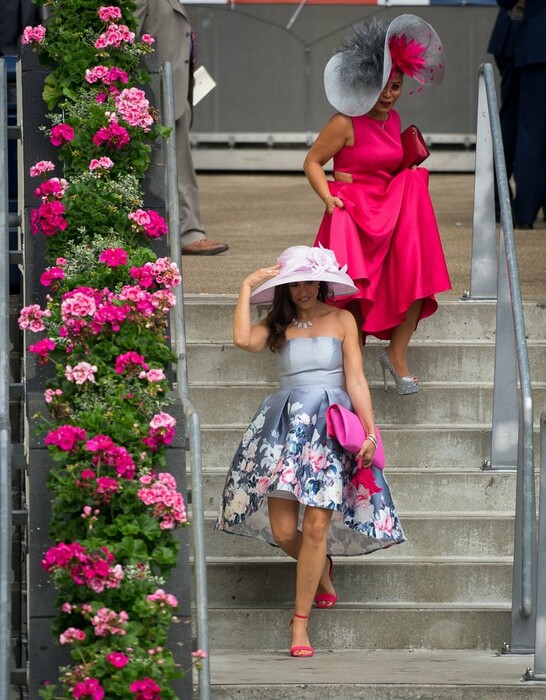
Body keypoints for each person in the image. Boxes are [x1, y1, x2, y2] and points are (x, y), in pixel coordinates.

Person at [215, 245, 405, 657]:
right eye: (294, 282)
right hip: (284, 426)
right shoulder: (277, 323)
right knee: (285, 531)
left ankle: (299, 625)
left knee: (317, 527)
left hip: (331, 427)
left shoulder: (342, 319)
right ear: (285, 286)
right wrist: (248, 284)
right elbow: (241, 339)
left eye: (309, 281)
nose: (303, 289)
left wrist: (370, 432)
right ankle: (321, 568)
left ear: (322, 281)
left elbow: (355, 380)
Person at [304, 15, 451, 395]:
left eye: (397, 87)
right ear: (367, 81)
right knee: (353, 293)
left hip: (390, 212)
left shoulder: (395, 118)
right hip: (354, 213)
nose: (389, 95)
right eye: (383, 86)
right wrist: (329, 196)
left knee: (415, 278)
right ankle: (350, 373)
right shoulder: (344, 122)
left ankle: (397, 355)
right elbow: (312, 162)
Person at [133, 0, 228, 255]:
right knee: (173, 166)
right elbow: (127, 40)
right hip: (154, 92)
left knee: (179, 164)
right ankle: (187, 233)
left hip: (173, 90)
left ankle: (188, 232)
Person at [487, 0, 546, 230]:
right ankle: (522, 208)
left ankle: (507, 203)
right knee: (529, 127)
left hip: (522, 38)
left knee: (518, 124)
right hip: (527, 41)